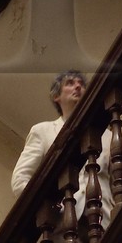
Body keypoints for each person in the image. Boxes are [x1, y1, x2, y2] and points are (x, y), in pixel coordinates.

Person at [10, 70, 113, 229]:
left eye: (81, 84)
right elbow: (20, 179)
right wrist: (49, 206)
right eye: (70, 83)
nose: (78, 86)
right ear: (56, 96)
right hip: (65, 222)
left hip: (105, 218)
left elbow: (115, 178)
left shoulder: (107, 135)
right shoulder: (42, 131)